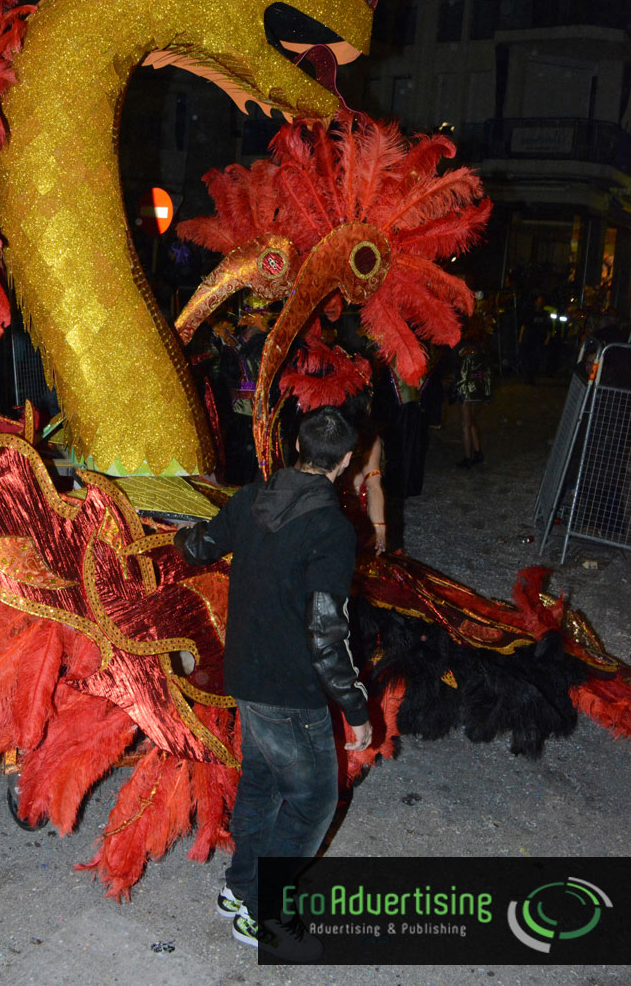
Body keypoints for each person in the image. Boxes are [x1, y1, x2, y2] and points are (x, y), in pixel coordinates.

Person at [175, 406, 372, 961]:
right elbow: (326, 632)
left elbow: (197, 548)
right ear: (348, 461)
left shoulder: (250, 497)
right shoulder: (331, 529)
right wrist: (355, 708)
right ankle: (264, 912)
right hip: (289, 689)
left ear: (293, 446)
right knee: (313, 800)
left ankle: (239, 890)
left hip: (245, 674)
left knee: (261, 784)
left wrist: (175, 535)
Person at [451, 314, 493, 467]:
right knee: (472, 421)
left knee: (465, 424)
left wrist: (458, 392)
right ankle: (477, 452)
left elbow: (463, 374)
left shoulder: (465, 349)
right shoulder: (481, 347)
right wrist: (487, 393)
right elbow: (488, 372)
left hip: (467, 389)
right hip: (479, 389)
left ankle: (468, 457)